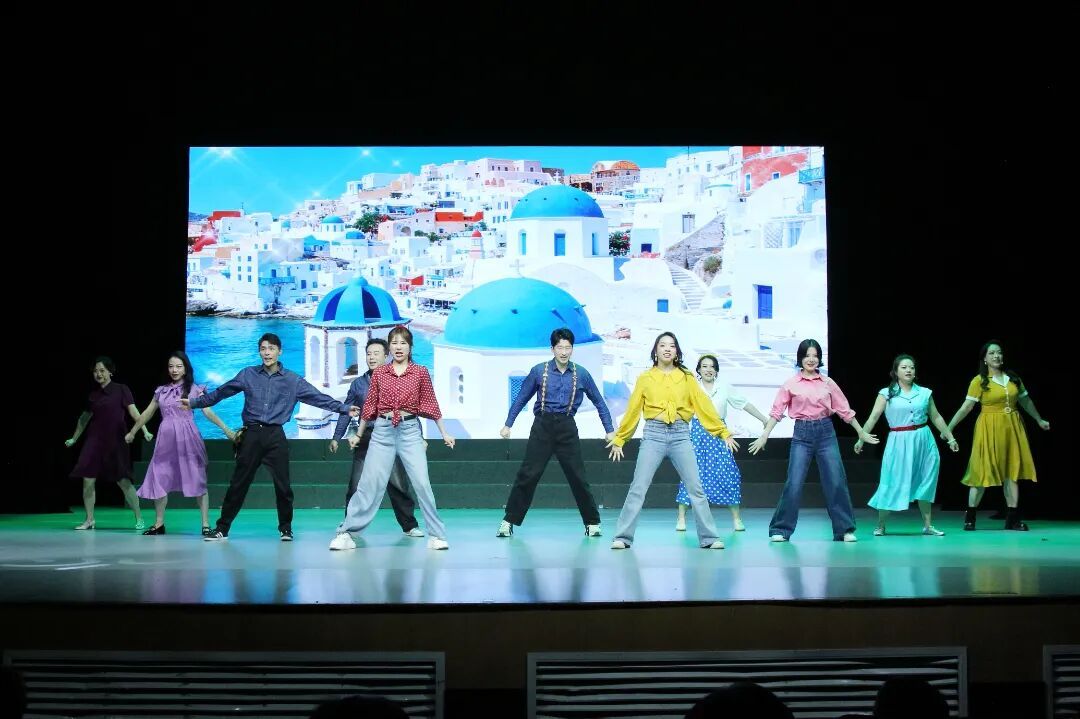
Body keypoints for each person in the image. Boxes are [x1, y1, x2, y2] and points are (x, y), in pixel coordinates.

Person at [184, 333, 359, 541]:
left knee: (283, 486)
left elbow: (319, 399)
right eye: (263, 349)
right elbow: (221, 393)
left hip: (276, 435)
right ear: (259, 351)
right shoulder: (248, 374)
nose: (267, 353)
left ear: (279, 351)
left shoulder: (293, 380)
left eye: (271, 348)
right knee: (238, 483)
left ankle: (286, 529)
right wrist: (194, 403)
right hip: (251, 435)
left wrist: (344, 409)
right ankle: (222, 528)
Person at [329, 325, 454, 551]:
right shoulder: (380, 373)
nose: (398, 347)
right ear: (390, 347)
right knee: (368, 485)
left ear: (410, 347)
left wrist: (444, 432)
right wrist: (358, 434)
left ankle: (436, 535)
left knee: (422, 483)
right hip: (382, 431)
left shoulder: (420, 372)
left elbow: (430, 403)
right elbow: (369, 407)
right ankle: (346, 532)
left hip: (410, 431)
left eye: (403, 343)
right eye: (394, 343)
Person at [607, 332, 735, 550]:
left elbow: (703, 405)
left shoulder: (687, 378)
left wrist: (722, 431)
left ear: (677, 352)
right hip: (653, 434)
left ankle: (710, 537)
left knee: (696, 488)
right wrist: (621, 438)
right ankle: (622, 537)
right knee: (638, 487)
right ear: (655, 351)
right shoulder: (645, 378)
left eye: (672, 346)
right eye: (663, 345)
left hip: (680, 434)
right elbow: (633, 410)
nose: (667, 349)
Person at [748, 339, 879, 542]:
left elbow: (844, 409)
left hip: (826, 432)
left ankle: (844, 529)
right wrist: (764, 435)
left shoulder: (827, 382)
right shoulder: (791, 384)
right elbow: (777, 411)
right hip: (802, 434)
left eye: (815, 355)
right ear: (800, 358)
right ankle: (780, 529)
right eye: (807, 355)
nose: (811, 359)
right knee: (794, 482)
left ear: (819, 358)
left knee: (836, 480)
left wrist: (860, 432)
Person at [496, 327, 615, 538]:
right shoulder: (538, 371)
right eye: (560, 348)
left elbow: (599, 402)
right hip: (542, 426)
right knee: (528, 475)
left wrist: (610, 430)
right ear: (552, 349)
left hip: (567, 427)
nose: (564, 352)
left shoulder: (582, 374)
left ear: (572, 349)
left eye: (568, 348)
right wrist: (508, 424)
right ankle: (508, 521)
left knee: (578, 476)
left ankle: (592, 523)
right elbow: (521, 398)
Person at [125, 351, 234, 536]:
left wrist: (226, 429)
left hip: (188, 438)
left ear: (185, 369)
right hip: (165, 440)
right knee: (159, 476)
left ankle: (205, 524)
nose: (174, 370)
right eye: (171, 366)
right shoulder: (161, 390)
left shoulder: (194, 389)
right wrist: (133, 431)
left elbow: (208, 412)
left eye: (178, 366)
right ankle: (159, 523)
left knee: (197, 478)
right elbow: (148, 412)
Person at [945, 340, 1049, 531]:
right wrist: (948, 428)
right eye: (992, 353)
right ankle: (970, 516)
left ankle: (1012, 518)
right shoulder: (979, 381)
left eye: (999, 352)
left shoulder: (1013, 378)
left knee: (1012, 471)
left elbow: (1026, 401)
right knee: (981, 471)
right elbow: (966, 407)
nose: (996, 356)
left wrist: (1039, 419)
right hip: (988, 428)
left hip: (1012, 428)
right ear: (984, 359)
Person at [856, 354, 958, 536]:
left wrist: (950, 438)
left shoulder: (924, 393)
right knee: (891, 480)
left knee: (926, 479)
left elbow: (936, 416)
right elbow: (873, 417)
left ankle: (928, 526)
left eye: (911, 367)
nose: (908, 370)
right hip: (899, 441)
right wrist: (861, 438)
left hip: (923, 439)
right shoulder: (886, 393)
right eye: (904, 367)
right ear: (895, 372)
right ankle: (881, 525)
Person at [330, 338, 421, 538]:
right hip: (366, 438)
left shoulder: (397, 380)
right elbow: (348, 411)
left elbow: (409, 411)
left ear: (386, 355)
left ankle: (409, 525)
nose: (371, 357)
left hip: (390, 435)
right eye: (368, 354)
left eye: (376, 353)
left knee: (398, 484)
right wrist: (337, 436)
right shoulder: (358, 384)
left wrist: (419, 436)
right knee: (356, 485)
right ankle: (349, 524)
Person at [675, 354, 768, 533]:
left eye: (712, 366)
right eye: (704, 366)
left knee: (728, 473)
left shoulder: (724, 387)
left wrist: (764, 419)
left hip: (721, 435)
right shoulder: (692, 387)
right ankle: (681, 518)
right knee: (691, 474)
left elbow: (744, 404)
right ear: (699, 370)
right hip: (698, 435)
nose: (708, 369)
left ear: (716, 370)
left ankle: (737, 519)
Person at [64, 356, 150, 530]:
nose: (99, 374)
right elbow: (83, 419)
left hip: (116, 440)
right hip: (94, 441)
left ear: (110, 372)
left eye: (102, 370)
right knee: (88, 479)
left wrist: (145, 430)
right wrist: (74, 438)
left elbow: (134, 412)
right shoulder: (93, 395)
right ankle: (89, 519)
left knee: (123, 481)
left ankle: (139, 517)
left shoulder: (121, 389)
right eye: (96, 371)